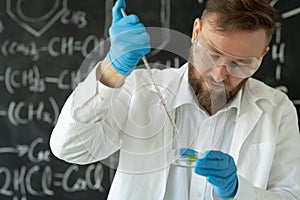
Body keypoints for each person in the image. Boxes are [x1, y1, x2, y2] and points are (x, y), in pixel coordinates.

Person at [50, 0, 300, 199]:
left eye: (240, 64)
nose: (218, 74)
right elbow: (70, 148)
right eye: (211, 54)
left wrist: (237, 191)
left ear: (262, 55)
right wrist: (111, 70)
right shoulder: (141, 90)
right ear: (196, 32)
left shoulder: (276, 110)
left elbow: (290, 195)